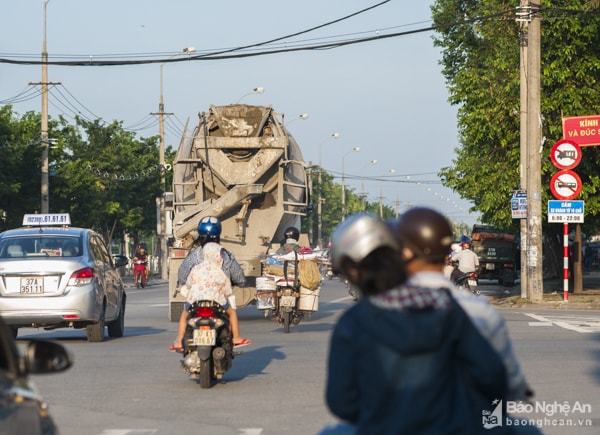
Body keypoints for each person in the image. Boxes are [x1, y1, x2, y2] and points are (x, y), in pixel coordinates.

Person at [322, 213, 508, 435]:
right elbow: (493, 378)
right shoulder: (450, 308)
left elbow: (342, 403)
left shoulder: (353, 322)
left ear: (352, 270)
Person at [169, 216, 251, 351]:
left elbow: (184, 276)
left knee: (185, 313)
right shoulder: (225, 257)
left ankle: (179, 340)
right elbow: (237, 278)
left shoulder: (195, 258)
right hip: (217, 302)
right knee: (231, 312)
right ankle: (236, 337)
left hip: (195, 301)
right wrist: (241, 284)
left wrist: (185, 286)